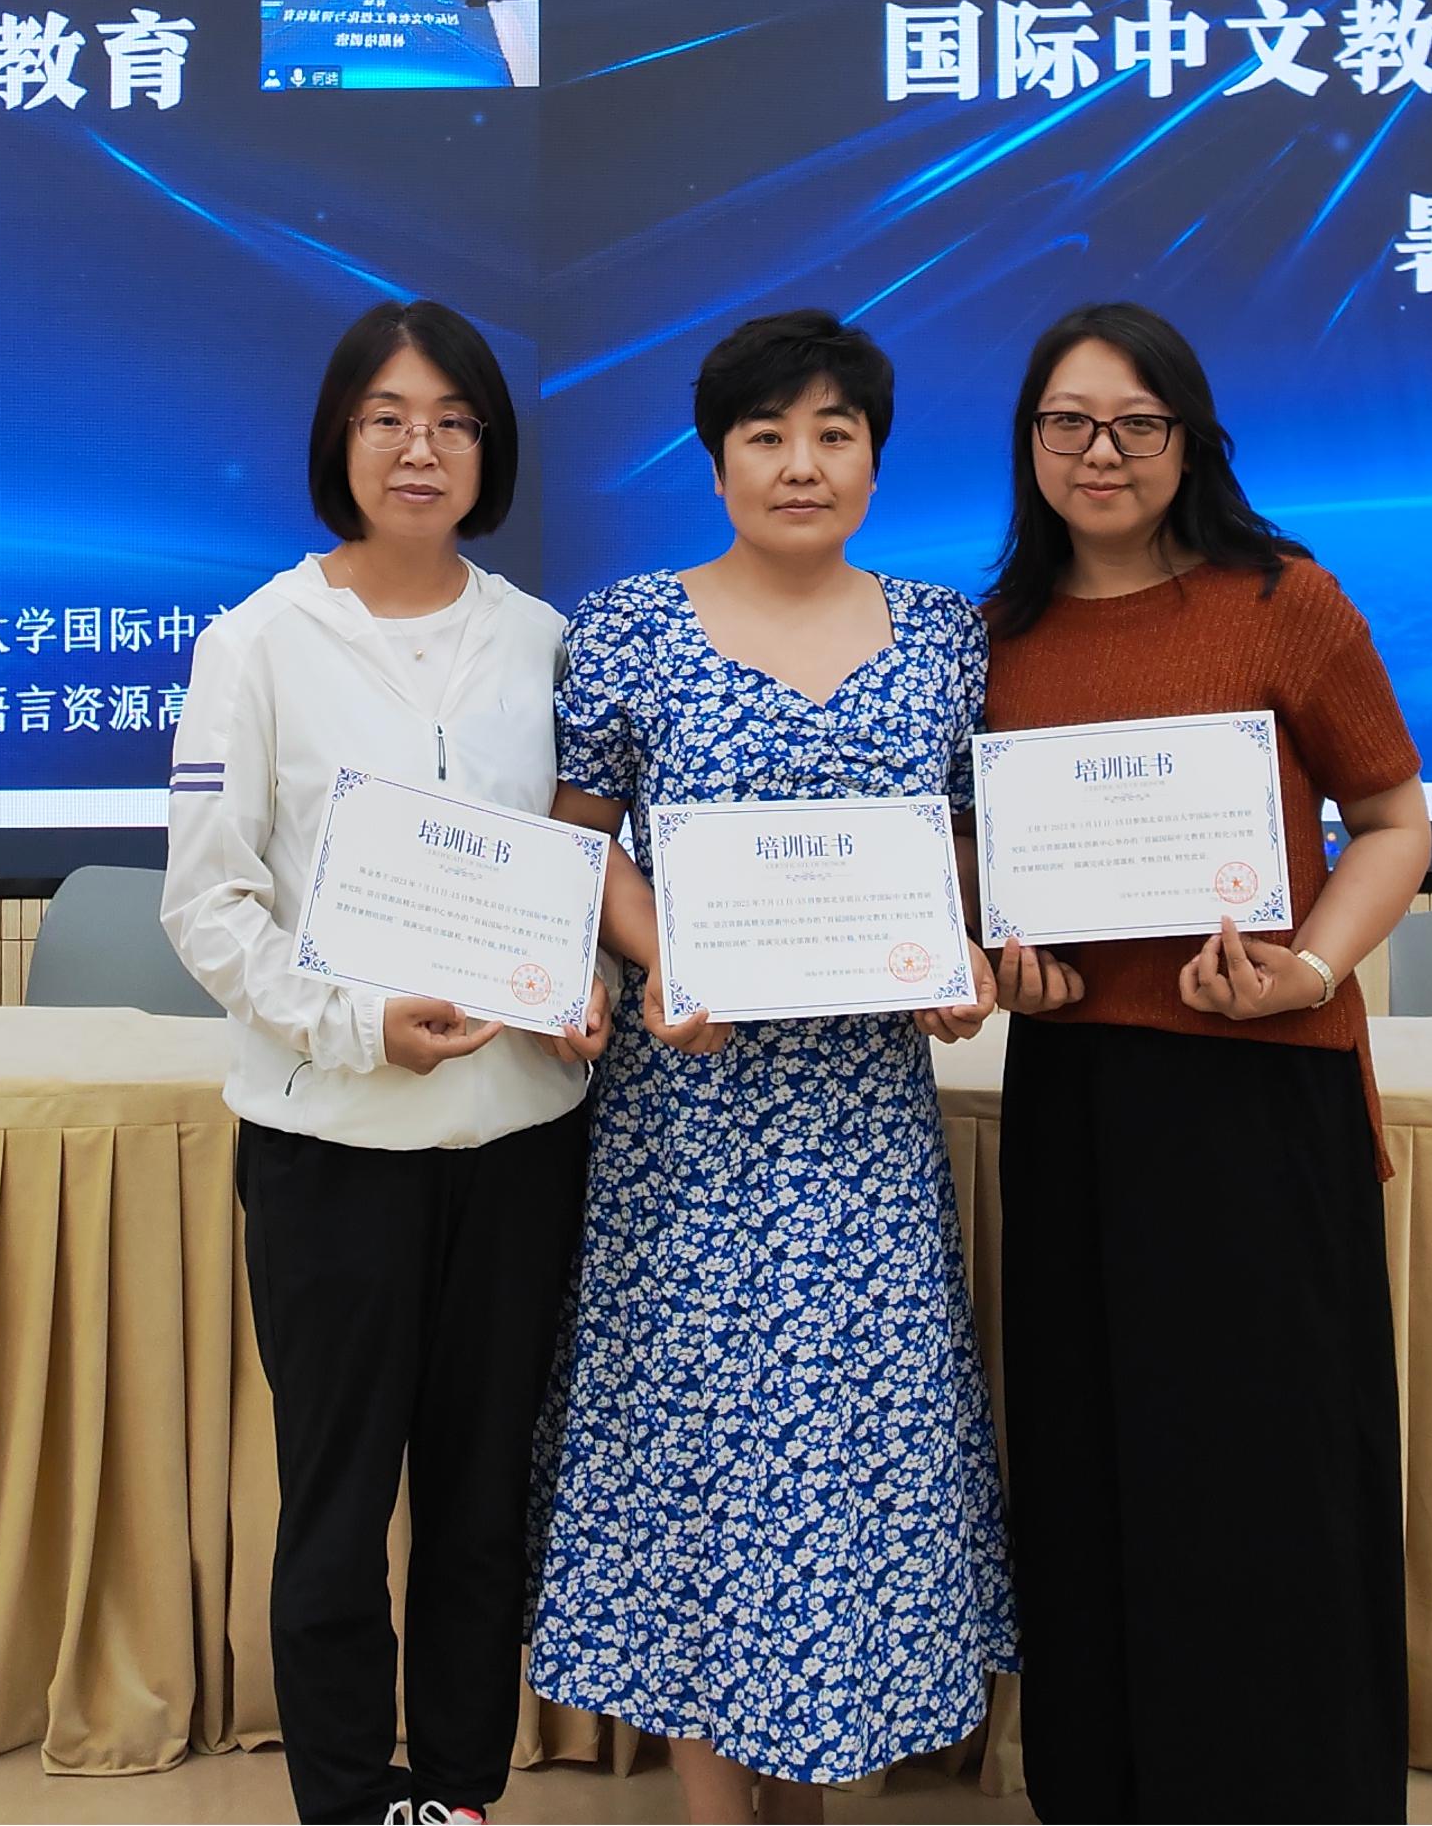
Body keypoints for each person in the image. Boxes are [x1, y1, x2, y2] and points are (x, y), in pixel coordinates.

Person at [528, 310, 1012, 1826]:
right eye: (767, 437)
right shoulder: (628, 627)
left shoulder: (945, 636)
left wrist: (957, 951)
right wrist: (663, 951)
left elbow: (960, 838)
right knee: (703, 1446)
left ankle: (811, 1783)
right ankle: (713, 1806)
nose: (802, 465)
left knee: (857, 1448)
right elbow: (578, 842)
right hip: (690, 1113)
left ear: (874, 459)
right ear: (717, 460)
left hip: (864, 1119)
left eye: (833, 435)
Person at [974, 300, 1432, 1823]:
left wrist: (1311, 968)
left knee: (1268, 1465)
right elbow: (977, 868)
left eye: (1137, 423)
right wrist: (1001, 955)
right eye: (1068, 423)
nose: (1100, 452)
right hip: (1078, 1097)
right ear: (1031, 444)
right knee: (1093, 1456)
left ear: (1190, 440)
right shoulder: (992, 639)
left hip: (1259, 1089)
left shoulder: (1283, 600)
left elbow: (1395, 823)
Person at [160, 297, 609, 1826]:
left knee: (483, 1506)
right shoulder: (255, 644)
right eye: (388, 419)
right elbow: (207, 905)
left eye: (454, 422)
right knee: (339, 1511)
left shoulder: (545, 641)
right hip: (332, 1149)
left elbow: (581, 871)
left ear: (491, 451)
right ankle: (351, 1804)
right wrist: (355, 1026)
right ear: (338, 442)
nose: (422, 449)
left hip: (522, 1142)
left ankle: (461, 1796)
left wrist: (589, 984)